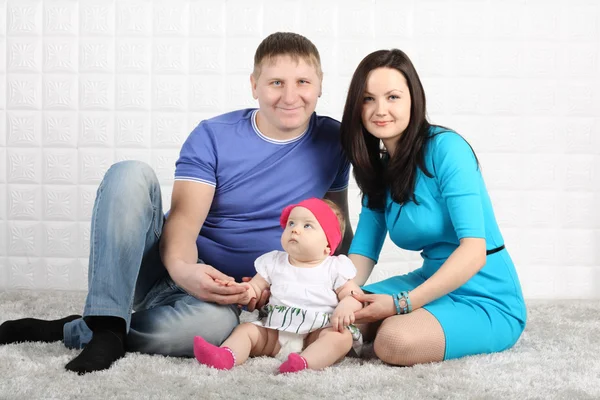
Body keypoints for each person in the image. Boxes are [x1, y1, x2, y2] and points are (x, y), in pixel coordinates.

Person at [0, 32, 352, 374]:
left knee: (208, 330)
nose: (290, 96)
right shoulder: (214, 135)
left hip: (224, 296)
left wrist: (321, 288)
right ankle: (107, 322)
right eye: (276, 82)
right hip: (164, 268)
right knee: (129, 174)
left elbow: (335, 230)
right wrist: (186, 272)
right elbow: (182, 221)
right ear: (254, 85)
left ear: (320, 85)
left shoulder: (334, 141)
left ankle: (81, 329)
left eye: (303, 82)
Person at [338, 49, 527, 366]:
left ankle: (406, 323)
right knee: (330, 313)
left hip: (485, 296)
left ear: (414, 98)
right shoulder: (380, 167)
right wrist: (344, 290)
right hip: (428, 281)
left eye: (393, 97)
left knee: (394, 341)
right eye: (368, 99)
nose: (380, 110)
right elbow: (364, 251)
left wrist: (401, 304)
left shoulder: (447, 148)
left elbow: (474, 251)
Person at [193, 198, 362, 373]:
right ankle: (226, 355)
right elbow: (255, 287)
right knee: (246, 330)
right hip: (275, 332)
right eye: (291, 223)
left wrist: (346, 306)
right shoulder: (273, 261)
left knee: (340, 337)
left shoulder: (334, 267)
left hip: (316, 334)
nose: (295, 229)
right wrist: (239, 290)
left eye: (307, 226)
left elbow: (355, 295)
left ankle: (305, 363)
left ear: (328, 244)